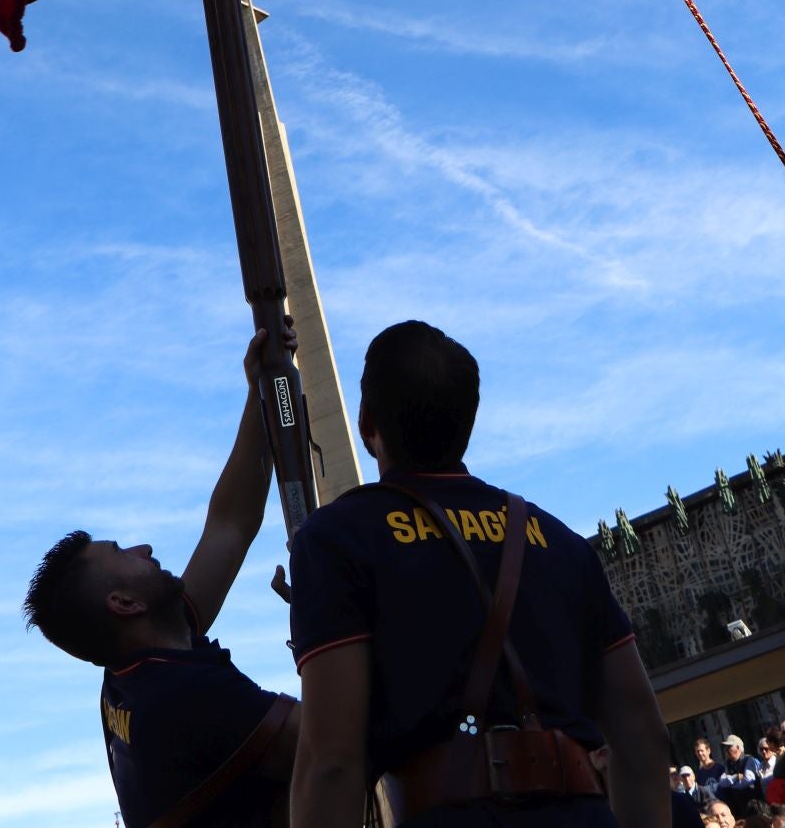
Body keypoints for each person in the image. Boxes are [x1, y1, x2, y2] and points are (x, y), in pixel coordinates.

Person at [286, 319, 671, 827]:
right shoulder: (561, 542)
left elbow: (331, 763)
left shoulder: (338, 538)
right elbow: (643, 733)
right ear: (469, 420)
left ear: (365, 422)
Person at [23, 323, 301, 828]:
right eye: (121, 552)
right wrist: (329, 612)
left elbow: (230, 524)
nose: (144, 548)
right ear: (124, 603)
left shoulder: (133, 675)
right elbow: (337, 744)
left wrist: (261, 390)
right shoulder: (183, 697)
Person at [716, 735, 764, 807]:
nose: (726, 750)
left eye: (729, 747)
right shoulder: (728, 763)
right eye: (725, 747)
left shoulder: (748, 760)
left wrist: (732, 786)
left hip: (753, 802)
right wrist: (737, 776)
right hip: (738, 804)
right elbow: (722, 782)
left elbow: (748, 779)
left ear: (738, 747)